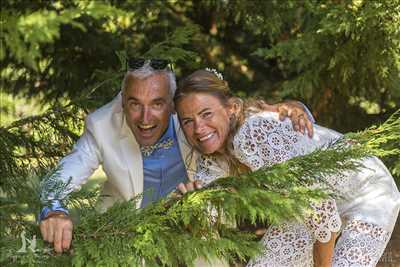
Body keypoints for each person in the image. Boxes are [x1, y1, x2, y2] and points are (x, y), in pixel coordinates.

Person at [38, 59, 314, 259]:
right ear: (123, 101)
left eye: (157, 104)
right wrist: (54, 211)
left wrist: (294, 109)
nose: (145, 119)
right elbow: (60, 179)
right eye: (134, 104)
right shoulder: (101, 126)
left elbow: (235, 111)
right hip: (127, 232)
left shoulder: (193, 120)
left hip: (197, 229)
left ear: (172, 104)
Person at [174, 69, 400, 267]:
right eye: (188, 121)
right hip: (307, 210)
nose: (199, 128)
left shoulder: (253, 133)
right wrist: (191, 203)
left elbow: (322, 211)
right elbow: (210, 210)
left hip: (368, 193)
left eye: (206, 114)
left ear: (231, 108)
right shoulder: (212, 157)